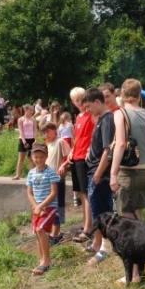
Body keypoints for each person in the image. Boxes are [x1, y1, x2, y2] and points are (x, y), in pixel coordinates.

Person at [110, 78, 145, 284]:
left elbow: (121, 144)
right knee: (139, 219)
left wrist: (113, 174)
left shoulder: (120, 114)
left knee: (130, 226)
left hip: (128, 172)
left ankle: (135, 274)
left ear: (123, 95)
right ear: (140, 95)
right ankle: (144, 264)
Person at [81, 87, 115, 265]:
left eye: (88, 106)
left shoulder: (108, 120)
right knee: (97, 210)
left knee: (101, 212)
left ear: (97, 102)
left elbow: (108, 150)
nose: (87, 110)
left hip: (98, 174)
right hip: (93, 170)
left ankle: (105, 247)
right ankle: (100, 243)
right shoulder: (101, 119)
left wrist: (99, 173)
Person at [57, 87, 95, 242]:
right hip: (76, 156)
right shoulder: (78, 116)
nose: (80, 103)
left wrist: (90, 150)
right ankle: (86, 223)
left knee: (86, 192)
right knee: (80, 192)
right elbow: (78, 137)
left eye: (82, 99)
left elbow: (93, 136)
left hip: (85, 157)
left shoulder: (92, 115)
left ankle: (88, 227)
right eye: (77, 100)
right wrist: (72, 150)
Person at [25, 142, 60, 276]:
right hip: (37, 207)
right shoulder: (31, 174)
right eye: (36, 157)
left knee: (40, 230)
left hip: (49, 207)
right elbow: (29, 193)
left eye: (41, 157)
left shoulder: (50, 173)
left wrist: (41, 206)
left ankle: (46, 261)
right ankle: (42, 260)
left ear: (46, 156)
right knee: (38, 234)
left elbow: (53, 193)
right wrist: (36, 207)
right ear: (32, 158)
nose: (38, 160)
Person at [40, 121, 71, 246]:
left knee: (58, 205)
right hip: (48, 179)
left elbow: (70, 156)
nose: (46, 135)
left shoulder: (60, 141)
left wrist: (63, 165)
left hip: (57, 179)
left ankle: (55, 234)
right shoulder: (48, 144)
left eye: (48, 132)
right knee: (50, 206)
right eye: (44, 133)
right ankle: (53, 231)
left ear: (54, 130)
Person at [14, 104, 37, 180]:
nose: (32, 112)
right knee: (21, 158)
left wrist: (35, 139)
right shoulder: (21, 119)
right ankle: (17, 175)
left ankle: (30, 175)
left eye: (32, 110)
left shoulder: (33, 119)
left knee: (31, 158)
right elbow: (21, 130)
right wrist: (24, 141)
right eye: (30, 110)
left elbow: (35, 130)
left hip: (31, 139)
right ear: (26, 110)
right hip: (23, 139)